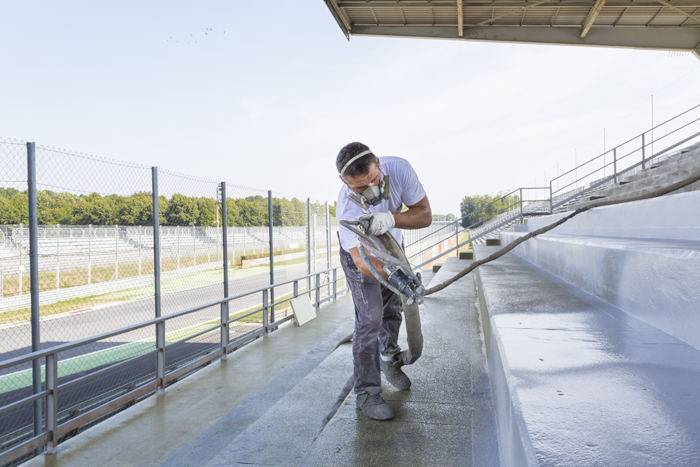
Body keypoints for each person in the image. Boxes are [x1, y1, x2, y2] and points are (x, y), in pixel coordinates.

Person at [336, 141, 432, 421]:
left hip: (392, 247)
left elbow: (425, 215)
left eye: (374, 180)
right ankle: (366, 391)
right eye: (359, 187)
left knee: (393, 310)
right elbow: (361, 261)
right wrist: (399, 280)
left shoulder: (399, 169)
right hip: (362, 257)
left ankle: (389, 358)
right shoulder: (347, 208)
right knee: (370, 319)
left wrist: (391, 219)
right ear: (344, 182)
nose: (370, 189)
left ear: (379, 163)